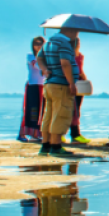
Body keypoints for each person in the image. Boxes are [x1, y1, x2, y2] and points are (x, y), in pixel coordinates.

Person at [40, 25, 82, 157]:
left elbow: (39, 57)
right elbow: (65, 63)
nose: (77, 34)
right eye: (77, 31)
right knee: (61, 114)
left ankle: (45, 145)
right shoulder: (64, 43)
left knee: (49, 115)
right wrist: (71, 83)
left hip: (49, 84)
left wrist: (45, 70)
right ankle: (56, 146)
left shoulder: (49, 42)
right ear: (70, 30)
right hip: (61, 84)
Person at [18, 37, 46, 143]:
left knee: (42, 111)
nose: (39, 45)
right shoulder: (31, 56)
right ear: (33, 45)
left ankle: (38, 134)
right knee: (32, 111)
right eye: (36, 43)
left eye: (41, 43)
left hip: (43, 86)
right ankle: (25, 134)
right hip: (33, 86)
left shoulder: (46, 57)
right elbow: (39, 66)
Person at [69, 35, 90, 145]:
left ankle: (75, 134)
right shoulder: (69, 56)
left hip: (80, 84)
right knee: (72, 110)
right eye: (77, 43)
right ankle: (74, 135)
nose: (79, 45)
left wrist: (86, 80)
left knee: (77, 110)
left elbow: (81, 70)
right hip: (71, 84)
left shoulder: (80, 56)